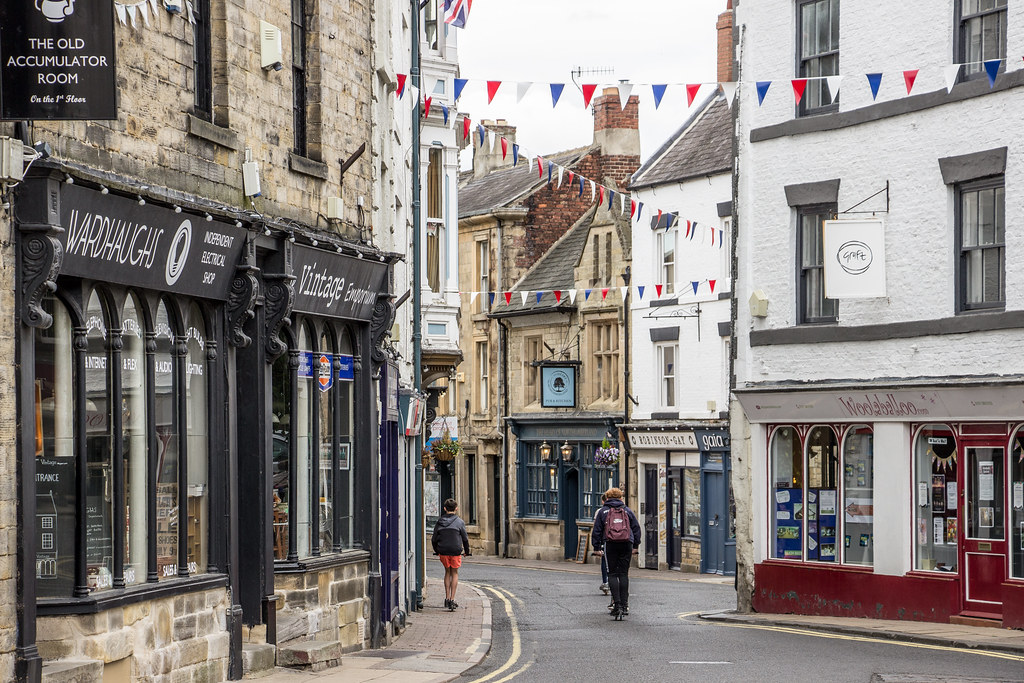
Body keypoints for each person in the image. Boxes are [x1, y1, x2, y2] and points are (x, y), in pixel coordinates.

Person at [591, 487, 641, 620]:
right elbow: (636, 528)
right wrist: (635, 545)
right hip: (627, 543)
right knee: (624, 574)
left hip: (610, 543)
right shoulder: (627, 510)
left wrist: (596, 547)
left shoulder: (603, 511)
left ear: (607, 498)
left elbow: (596, 531)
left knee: (612, 573)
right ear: (621, 498)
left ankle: (616, 605)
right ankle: (625, 606)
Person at [432, 498, 471, 610]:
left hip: (443, 551)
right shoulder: (460, 522)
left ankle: (447, 598)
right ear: (456, 508)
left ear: (445, 508)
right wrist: (467, 552)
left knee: (447, 571)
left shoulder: (439, 522)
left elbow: (434, 539)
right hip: (455, 551)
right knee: (454, 572)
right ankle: (452, 599)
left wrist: (437, 550)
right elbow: (465, 539)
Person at [593, 493, 610, 595]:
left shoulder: (600, 511)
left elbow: (596, 529)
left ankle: (606, 582)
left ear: (603, 501)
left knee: (605, 561)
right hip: (622, 541)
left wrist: (596, 546)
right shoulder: (624, 510)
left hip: (606, 541)